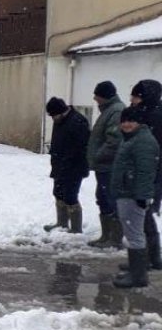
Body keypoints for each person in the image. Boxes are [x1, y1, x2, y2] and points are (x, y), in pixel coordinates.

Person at [110, 106, 160, 287]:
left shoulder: (143, 141)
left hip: (133, 195)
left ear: (139, 122)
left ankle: (138, 276)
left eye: (131, 121)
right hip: (127, 192)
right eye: (124, 121)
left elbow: (146, 172)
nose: (126, 124)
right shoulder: (132, 138)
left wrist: (142, 196)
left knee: (135, 234)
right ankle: (135, 269)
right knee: (132, 233)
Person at [86, 80, 124, 247]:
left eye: (97, 95)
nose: (94, 98)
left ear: (105, 96)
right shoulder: (109, 110)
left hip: (109, 166)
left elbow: (114, 141)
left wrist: (98, 156)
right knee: (102, 198)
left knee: (109, 199)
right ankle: (106, 236)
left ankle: (113, 238)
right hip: (104, 166)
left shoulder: (115, 112)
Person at [129, 79, 162, 271]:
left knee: (143, 215)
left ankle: (152, 258)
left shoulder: (155, 117)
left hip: (149, 174)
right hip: (142, 172)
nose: (132, 100)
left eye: (135, 96)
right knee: (139, 216)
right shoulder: (143, 113)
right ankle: (145, 258)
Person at [44, 97, 90, 233]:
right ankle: (62, 223)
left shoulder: (77, 121)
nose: (53, 118)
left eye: (54, 115)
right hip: (59, 164)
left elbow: (81, 147)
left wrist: (69, 161)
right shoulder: (59, 120)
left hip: (74, 167)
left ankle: (76, 228)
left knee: (70, 196)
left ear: (61, 111)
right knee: (58, 192)